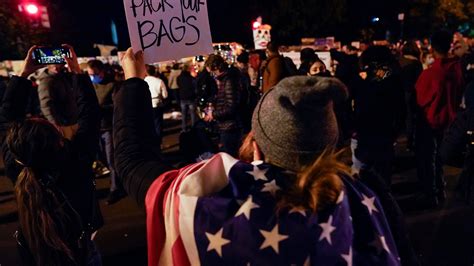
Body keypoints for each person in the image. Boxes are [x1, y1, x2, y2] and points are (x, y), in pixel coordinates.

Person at [113, 48, 402, 265]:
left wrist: (133, 81)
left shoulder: (211, 205)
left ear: (256, 146)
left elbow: (131, 161)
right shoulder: (367, 203)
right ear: (331, 145)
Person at [2, 45, 103, 265]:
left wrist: (24, 74)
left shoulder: (18, 167)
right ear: (59, 141)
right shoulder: (75, 162)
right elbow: (91, 115)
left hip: (34, 254)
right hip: (81, 252)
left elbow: (7, 118)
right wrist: (76, 71)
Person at [415, 30, 465, 207]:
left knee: (428, 158)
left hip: (431, 121)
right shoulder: (457, 68)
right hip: (450, 119)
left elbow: (421, 99)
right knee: (438, 157)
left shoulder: (431, 73)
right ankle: (440, 187)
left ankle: (432, 193)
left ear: (432, 48)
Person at [352, 45, 405, 187]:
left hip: (367, 135)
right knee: (382, 177)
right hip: (385, 134)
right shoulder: (395, 78)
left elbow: (359, 107)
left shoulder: (366, 81)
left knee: (363, 177)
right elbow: (401, 110)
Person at [87, 60, 125, 205]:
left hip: (108, 128)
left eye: (94, 74)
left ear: (101, 72)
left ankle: (115, 188)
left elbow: (117, 106)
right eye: (90, 74)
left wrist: (101, 108)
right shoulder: (90, 85)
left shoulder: (112, 85)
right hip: (95, 127)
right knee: (102, 159)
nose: (92, 77)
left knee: (111, 159)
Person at [204, 54, 243, 157]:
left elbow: (231, 107)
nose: (212, 75)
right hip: (226, 126)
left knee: (230, 158)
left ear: (216, 67)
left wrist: (214, 114)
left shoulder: (228, 80)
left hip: (230, 127)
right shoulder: (224, 80)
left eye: (212, 72)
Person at [399, 41, 423, 150]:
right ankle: (410, 141)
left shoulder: (399, 61)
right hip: (411, 92)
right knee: (410, 117)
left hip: (399, 91)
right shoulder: (416, 63)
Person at [145, 64, 168, 145]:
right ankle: (158, 143)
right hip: (157, 105)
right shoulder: (159, 81)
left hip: (146, 105)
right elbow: (165, 95)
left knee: (148, 125)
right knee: (158, 125)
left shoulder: (143, 81)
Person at [177, 65, 197, 132]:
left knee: (184, 115)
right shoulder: (191, 78)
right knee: (193, 114)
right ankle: (194, 128)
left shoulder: (179, 78)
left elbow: (179, 85)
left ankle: (184, 128)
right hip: (191, 97)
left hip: (183, 97)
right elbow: (195, 86)